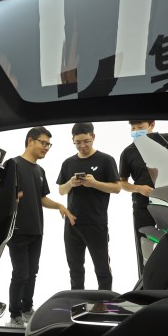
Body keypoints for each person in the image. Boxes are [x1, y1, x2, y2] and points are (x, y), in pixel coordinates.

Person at [0, 126, 76, 328]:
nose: (47, 147)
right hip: (17, 230)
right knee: (21, 273)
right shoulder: (13, 164)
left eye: (49, 144)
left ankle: (28, 309)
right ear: (30, 141)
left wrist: (60, 206)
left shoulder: (39, 170)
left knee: (33, 272)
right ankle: (15, 314)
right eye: (43, 143)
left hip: (36, 229)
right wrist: (7, 195)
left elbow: (42, 198)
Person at [119, 119, 168, 270]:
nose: (136, 131)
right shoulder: (128, 152)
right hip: (143, 204)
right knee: (144, 245)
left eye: (140, 127)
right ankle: (145, 280)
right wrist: (138, 188)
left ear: (152, 125)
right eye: (133, 128)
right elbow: (122, 183)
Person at [57, 122, 120, 291]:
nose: (82, 146)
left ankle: (106, 305)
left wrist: (95, 183)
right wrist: (70, 183)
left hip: (96, 223)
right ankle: (77, 305)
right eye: (78, 142)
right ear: (72, 140)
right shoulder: (68, 163)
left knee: (102, 269)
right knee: (75, 270)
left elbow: (117, 188)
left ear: (93, 136)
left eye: (86, 141)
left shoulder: (106, 160)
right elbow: (61, 191)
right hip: (72, 223)